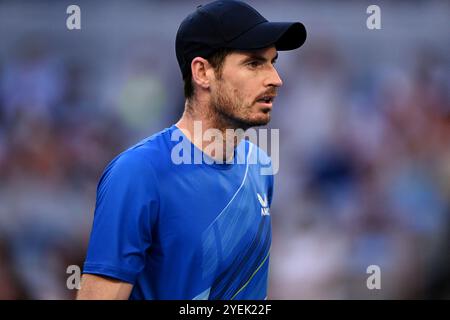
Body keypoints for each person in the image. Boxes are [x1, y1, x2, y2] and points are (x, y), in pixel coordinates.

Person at [77, 0, 306, 300]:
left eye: (273, 62)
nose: (275, 79)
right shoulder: (138, 173)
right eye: (254, 63)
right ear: (202, 72)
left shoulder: (261, 166)